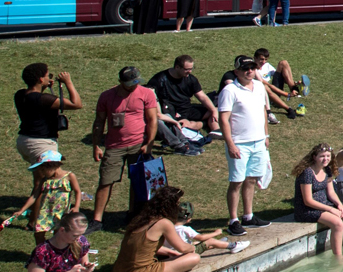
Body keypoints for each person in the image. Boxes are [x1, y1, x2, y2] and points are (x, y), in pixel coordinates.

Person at [90, 66, 159, 227]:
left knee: (137, 181)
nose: (134, 86)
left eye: (136, 82)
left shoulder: (146, 93)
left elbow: (152, 120)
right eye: (130, 83)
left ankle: (133, 214)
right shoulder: (106, 96)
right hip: (114, 146)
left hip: (138, 144)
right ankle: (97, 219)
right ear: (121, 82)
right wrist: (96, 145)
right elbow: (99, 122)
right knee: (106, 180)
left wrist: (149, 143)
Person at [217, 56, 271, 237]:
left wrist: (266, 135)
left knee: (252, 179)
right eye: (245, 68)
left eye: (252, 67)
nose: (249, 71)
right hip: (239, 143)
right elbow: (224, 119)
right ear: (237, 71)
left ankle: (248, 215)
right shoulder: (230, 90)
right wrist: (230, 143)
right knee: (237, 181)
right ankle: (233, 220)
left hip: (258, 141)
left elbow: (263, 111)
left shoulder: (260, 87)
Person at [291, 143, 343, 257]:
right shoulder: (307, 172)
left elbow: (331, 192)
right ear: (314, 157)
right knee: (338, 223)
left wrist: (339, 204)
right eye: (322, 156)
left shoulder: (326, 170)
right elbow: (308, 200)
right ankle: (338, 256)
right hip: (307, 209)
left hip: (324, 204)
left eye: (328, 156)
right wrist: (330, 209)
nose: (326, 159)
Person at [111, 184, 200, 272]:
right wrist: (193, 248)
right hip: (142, 270)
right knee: (194, 258)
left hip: (120, 268)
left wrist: (170, 252)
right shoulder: (164, 223)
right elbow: (183, 248)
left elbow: (144, 247)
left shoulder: (141, 219)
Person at [11, 150, 83, 244]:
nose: (42, 172)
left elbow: (78, 191)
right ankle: (42, 252)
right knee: (38, 233)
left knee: (59, 235)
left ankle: (56, 255)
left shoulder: (69, 176)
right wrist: (22, 210)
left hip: (61, 212)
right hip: (45, 211)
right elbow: (34, 195)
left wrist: (76, 206)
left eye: (43, 169)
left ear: (52, 165)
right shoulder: (45, 180)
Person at [147, 56, 218, 148]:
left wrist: (213, 111)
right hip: (172, 112)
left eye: (191, 69)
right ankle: (202, 124)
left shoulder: (190, 79)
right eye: (187, 69)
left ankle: (216, 130)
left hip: (187, 109)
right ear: (177, 67)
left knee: (220, 111)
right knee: (183, 126)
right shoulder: (159, 80)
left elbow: (202, 96)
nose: (190, 71)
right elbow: (152, 101)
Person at [16, 63, 81, 163]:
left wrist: (43, 86)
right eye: (48, 76)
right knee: (52, 175)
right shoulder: (44, 99)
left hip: (24, 141)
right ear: (41, 79)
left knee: (39, 175)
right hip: (41, 143)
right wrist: (68, 82)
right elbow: (76, 104)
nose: (49, 78)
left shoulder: (20, 95)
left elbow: (35, 99)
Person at [26, 212, 99, 272]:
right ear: (62, 230)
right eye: (75, 235)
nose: (78, 238)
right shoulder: (43, 251)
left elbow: (83, 266)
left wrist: (87, 270)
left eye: (81, 234)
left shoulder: (81, 242)